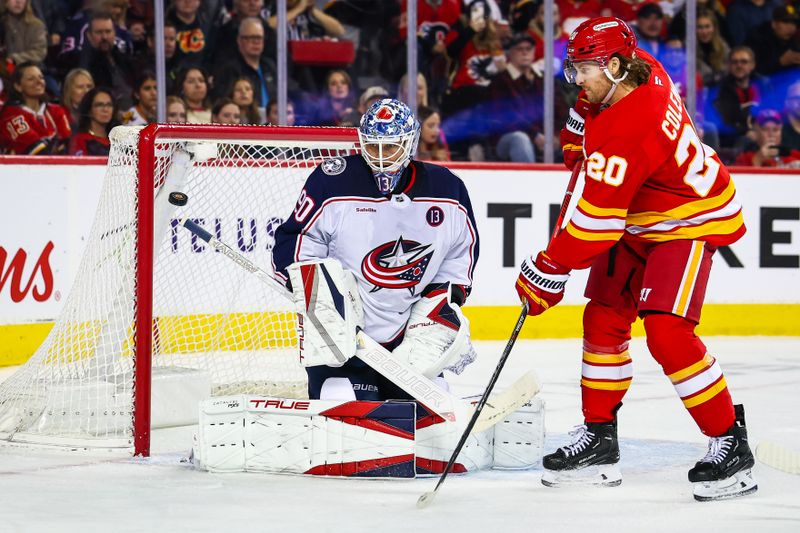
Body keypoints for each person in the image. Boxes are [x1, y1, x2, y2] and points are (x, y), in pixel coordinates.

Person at [516, 17, 757, 501]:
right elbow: (591, 117)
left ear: (613, 64)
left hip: (686, 219)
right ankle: (600, 441)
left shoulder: (628, 129)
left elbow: (593, 226)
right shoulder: (640, 67)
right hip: (640, 213)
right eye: (574, 69)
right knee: (603, 319)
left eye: (583, 70)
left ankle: (731, 442)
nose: (577, 80)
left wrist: (548, 267)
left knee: (667, 333)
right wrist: (581, 122)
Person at [272, 98, 479, 402]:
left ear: (410, 144)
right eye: (373, 147)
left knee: (431, 402)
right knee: (338, 401)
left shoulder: (447, 190)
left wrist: (440, 303)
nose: (381, 158)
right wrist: (319, 296)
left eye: (392, 146)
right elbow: (294, 241)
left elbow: (459, 256)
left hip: (408, 337)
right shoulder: (332, 182)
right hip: (341, 342)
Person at [0, 61, 71, 154]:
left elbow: (69, 146)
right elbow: (36, 151)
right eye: (31, 79)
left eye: (41, 77)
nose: (39, 82)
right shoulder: (11, 115)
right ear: (18, 86)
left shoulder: (56, 110)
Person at [735, 108, 800, 167]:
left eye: (775, 130)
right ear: (756, 133)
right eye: (765, 129)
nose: (771, 134)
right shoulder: (744, 158)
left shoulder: (793, 156)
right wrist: (757, 160)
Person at [69, 86, 116, 156]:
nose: (105, 109)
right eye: (99, 105)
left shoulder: (119, 140)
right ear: (89, 110)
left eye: (109, 105)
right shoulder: (80, 140)